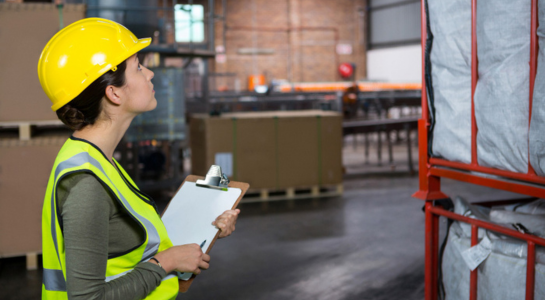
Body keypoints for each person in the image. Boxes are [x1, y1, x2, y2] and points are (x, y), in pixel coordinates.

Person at [38, 18, 240, 300]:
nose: (150, 74)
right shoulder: (87, 184)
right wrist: (166, 263)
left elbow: (130, 242)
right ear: (114, 92)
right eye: (138, 67)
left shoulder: (98, 159)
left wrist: (206, 225)